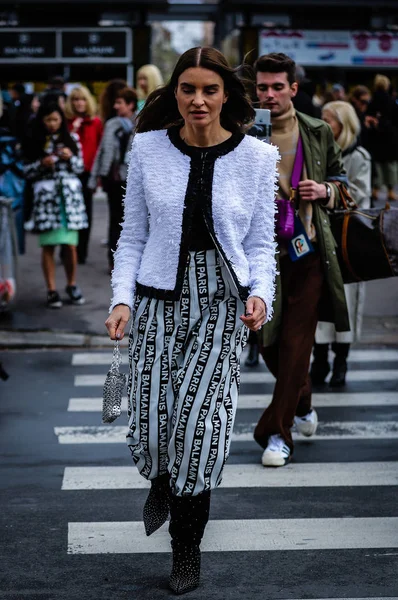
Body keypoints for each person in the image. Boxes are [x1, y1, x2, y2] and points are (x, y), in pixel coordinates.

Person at [105, 46, 278, 595]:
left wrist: (261, 294)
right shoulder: (147, 149)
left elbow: (259, 244)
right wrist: (121, 299)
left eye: (209, 90)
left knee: (200, 431)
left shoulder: (256, 157)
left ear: (227, 93)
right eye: (188, 89)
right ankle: (160, 478)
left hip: (222, 306)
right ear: (174, 93)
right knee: (155, 425)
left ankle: (186, 551)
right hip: (157, 300)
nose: (198, 100)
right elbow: (131, 236)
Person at [253, 52, 349, 468]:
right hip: (259, 258)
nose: (270, 94)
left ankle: (275, 432)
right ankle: (302, 398)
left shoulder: (317, 130)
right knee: (269, 345)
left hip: (309, 253)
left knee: (296, 343)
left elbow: (345, 187)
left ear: (294, 88)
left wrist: (325, 191)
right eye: (262, 87)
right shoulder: (243, 133)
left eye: (278, 86)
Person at [311, 101, 372, 386]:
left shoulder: (359, 156)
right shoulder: (316, 151)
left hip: (349, 242)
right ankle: (320, 359)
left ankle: (341, 361)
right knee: (319, 300)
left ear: (343, 125)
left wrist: (328, 192)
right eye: (321, 119)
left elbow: (361, 196)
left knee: (345, 303)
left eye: (329, 120)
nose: (323, 125)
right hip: (320, 237)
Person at [24, 103, 88, 308]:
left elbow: (80, 167)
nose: (52, 124)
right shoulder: (35, 141)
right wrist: (42, 164)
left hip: (69, 201)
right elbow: (27, 172)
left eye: (56, 119)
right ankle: (51, 289)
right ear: (42, 121)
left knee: (70, 246)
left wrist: (70, 158)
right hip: (47, 200)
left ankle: (72, 284)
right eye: (48, 120)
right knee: (49, 246)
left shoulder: (72, 139)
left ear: (61, 120)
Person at [89, 87, 137, 272]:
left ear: (130, 104)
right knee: (114, 220)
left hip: (131, 179)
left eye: (120, 103)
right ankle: (114, 260)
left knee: (131, 221)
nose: (116, 106)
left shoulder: (141, 123)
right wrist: (94, 178)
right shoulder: (111, 124)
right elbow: (101, 151)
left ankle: (130, 260)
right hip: (112, 179)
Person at [65, 86, 103, 263]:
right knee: (69, 212)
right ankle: (67, 249)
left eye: (81, 99)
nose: (79, 103)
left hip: (88, 173)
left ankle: (81, 253)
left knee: (86, 213)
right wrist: (73, 129)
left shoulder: (95, 122)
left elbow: (100, 148)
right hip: (70, 173)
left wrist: (98, 177)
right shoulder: (66, 122)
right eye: (75, 99)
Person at [367, 74, 398, 203]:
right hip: (390, 137)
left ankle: (375, 189)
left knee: (377, 165)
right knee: (390, 165)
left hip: (376, 137)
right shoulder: (391, 101)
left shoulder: (372, 100)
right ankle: (391, 191)